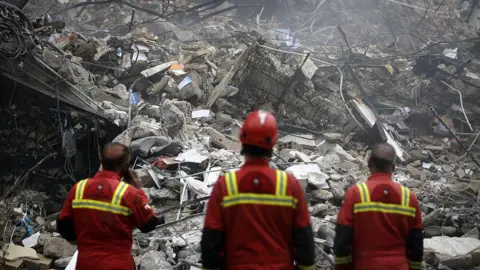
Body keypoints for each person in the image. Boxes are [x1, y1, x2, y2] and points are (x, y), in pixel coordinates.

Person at [201, 110, 315, 270]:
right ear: (273, 143)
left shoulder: (226, 184)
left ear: (242, 140)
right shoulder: (289, 185)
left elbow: (211, 240)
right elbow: (304, 240)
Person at [57, 142, 165, 270]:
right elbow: (149, 224)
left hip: (86, 263)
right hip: (118, 265)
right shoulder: (129, 193)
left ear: (101, 161)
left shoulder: (79, 188)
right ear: (125, 166)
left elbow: (64, 228)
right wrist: (138, 189)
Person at [334, 143, 423, 270]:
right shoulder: (409, 197)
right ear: (393, 168)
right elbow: (416, 244)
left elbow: (342, 240)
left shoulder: (355, 194)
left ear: (369, 163)